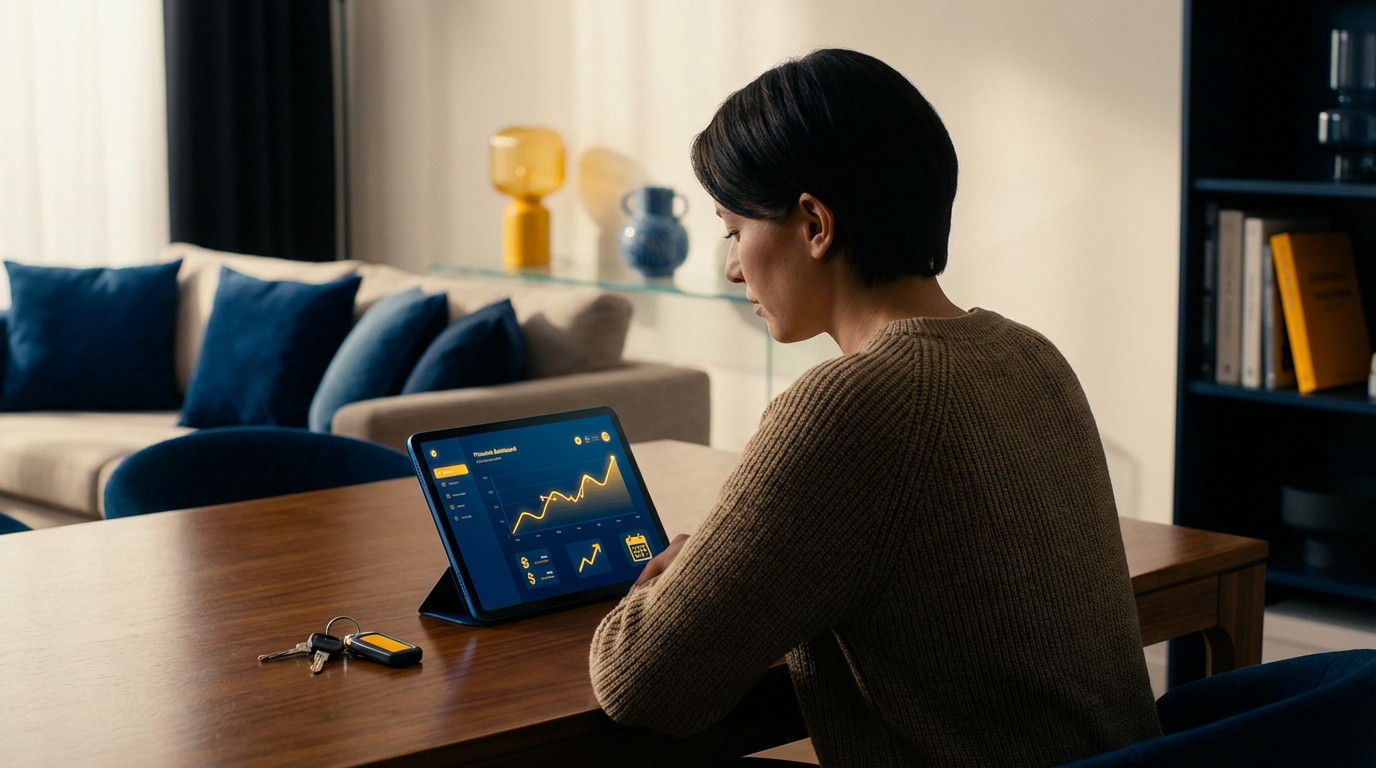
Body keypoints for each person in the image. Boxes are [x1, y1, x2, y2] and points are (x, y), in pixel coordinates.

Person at [589, 48, 1161, 766]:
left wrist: (675, 576)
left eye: (734, 231)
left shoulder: (849, 405)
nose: (732, 267)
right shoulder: (1031, 354)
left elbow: (641, 682)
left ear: (815, 224)